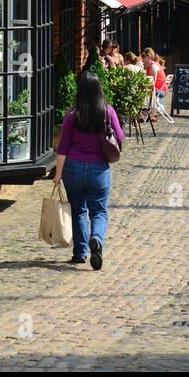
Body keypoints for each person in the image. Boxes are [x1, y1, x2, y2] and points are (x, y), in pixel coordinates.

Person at [51, 69, 123, 270]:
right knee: (99, 211)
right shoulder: (108, 112)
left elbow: (63, 147)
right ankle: (97, 239)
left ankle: (80, 252)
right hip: (98, 169)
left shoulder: (72, 114)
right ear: (99, 88)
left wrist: (57, 174)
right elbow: (120, 137)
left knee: (78, 210)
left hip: (72, 168)